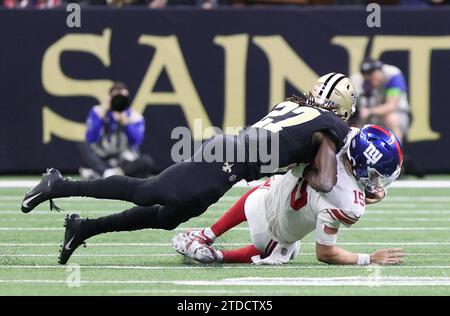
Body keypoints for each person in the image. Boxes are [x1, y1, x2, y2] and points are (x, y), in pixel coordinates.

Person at [21, 73, 364, 265]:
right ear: (343, 109)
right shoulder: (332, 126)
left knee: (168, 216)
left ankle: (84, 228)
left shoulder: (293, 104)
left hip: (229, 157)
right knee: (148, 190)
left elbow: (293, 149)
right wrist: (358, 188)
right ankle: (57, 184)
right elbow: (325, 179)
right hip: (228, 161)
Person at [173, 125, 405, 266]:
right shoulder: (348, 204)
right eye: (374, 175)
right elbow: (325, 253)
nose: (376, 182)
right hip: (273, 236)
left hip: (262, 197)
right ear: (361, 163)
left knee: (268, 188)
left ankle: (205, 234)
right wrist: (369, 258)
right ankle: (219, 256)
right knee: (287, 247)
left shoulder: (341, 137)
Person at [77, 81, 155, 179]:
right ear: (109, 98)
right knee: (82, 145)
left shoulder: (135, 117)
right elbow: (90, 138)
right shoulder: (98, 111)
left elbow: (137, 141)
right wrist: (102, 115)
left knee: (146, 161)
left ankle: (106, 175)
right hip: (102, 159)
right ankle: (107, 174)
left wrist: (126, 124)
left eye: (122, 98)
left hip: (124, 162)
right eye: (115, 98)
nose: (118, 101)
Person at [351, 59, 410, 143]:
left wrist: (369, 111)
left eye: (373, 77)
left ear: (379, 70)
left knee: (390, 118)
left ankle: (396, 153)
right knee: (354, 125)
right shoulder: (357, 80)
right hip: (368, 116)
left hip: (397, 114)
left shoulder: (392, 75)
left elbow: (391, 106)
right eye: (369, 80)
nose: (373, 83)